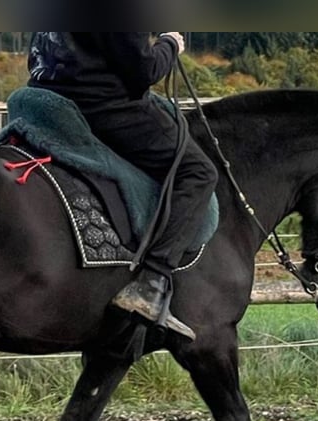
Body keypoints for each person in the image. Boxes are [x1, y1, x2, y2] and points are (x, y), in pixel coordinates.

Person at [27, 32, 218, 342]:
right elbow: (145, 72)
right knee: (199, 172)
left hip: (47, 99)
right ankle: (152, 283)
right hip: (102, 108)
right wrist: (170, 44)